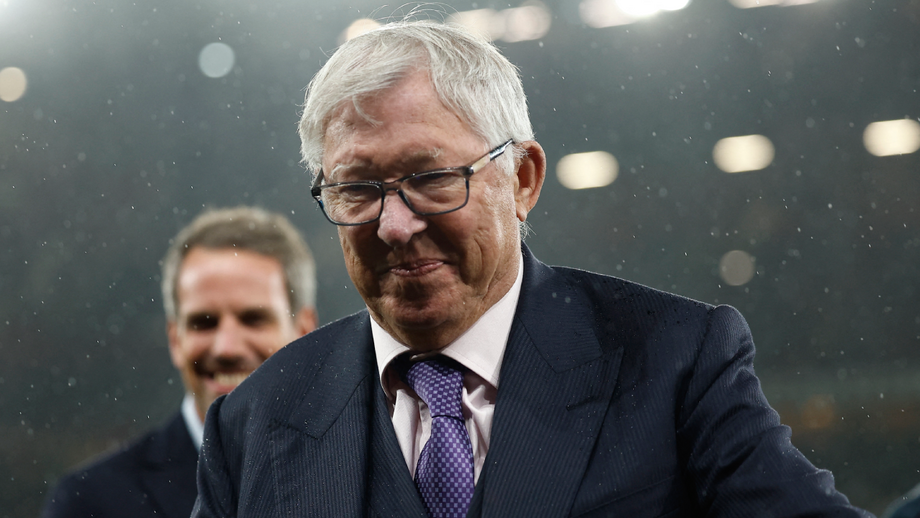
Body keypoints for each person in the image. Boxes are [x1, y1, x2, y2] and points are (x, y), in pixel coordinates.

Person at [193, 20, 873, 517]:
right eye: (356, 189)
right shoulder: (251, 422)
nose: (394, 224)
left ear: (522, 179)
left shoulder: (675, 362)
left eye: (432, 178)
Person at [42, 206, 318, 518]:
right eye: (204, 322)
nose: (226, 348)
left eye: (253, 319)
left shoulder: (354, 474)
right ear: (175, 340)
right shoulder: (90, 503)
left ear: (304, 332)